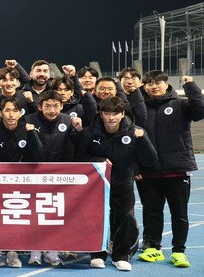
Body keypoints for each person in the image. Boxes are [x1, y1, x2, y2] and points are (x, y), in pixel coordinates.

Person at [75, 97, 157, 272]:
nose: (111, 118)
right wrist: (98, 160)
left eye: (115, 114)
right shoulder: (89, 133)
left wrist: (142, 140)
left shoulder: (135, 132)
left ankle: (121, 255)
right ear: (101, 114)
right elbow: (78, 157)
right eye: (107, 113)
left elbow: (150, 160)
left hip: (123, 182)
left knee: (126, 217)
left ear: (122, 114)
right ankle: (97, 254)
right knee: (95, 217)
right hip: (96, 184)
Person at [136, 72, 204, 268]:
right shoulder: (140, 108)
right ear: (144, 87)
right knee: (152, 212)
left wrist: (191, 86)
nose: (154, 86)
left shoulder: (181, 104)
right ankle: (153, 248)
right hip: (150, 171)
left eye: (158, 82)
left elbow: (200, 111)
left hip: (177, 170)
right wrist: (137, 166)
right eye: (149, 83)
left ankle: (179, 251)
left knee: (179, 213)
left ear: (166, 84)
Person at [0, 97, 42, 267]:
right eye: (7, 110)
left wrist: (32, 134)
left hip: (19, 184)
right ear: (1, 113)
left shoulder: (27, 130)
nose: (11, 115)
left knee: (14, 218)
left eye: (15, 111)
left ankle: (12, 252)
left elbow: (39, 156)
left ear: (21, 113)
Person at [23, 90, 81, 266]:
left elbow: (79, 147)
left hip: (59, 177)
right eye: (47, 106)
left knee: (54, 214)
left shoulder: (68, 121)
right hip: (33, 176)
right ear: (40, 107)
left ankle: (52, 252)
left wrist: (80, 131)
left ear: (62, 106)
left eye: (56, 106)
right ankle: (34, 252)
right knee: (34, 214)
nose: (52, 110)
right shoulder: (28, 121)